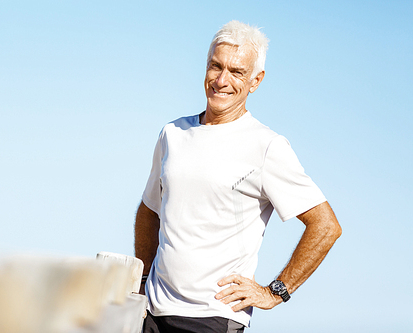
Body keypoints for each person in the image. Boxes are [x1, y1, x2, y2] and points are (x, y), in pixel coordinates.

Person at [134, 20, 341, 333]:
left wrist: (276, 292)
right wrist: (143, 280)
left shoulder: (267, 146)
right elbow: (149, 210)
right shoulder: (172, 134)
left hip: (215, 318)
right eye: (215, 66)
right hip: (152, 313)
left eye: (236, 72)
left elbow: (326, 227)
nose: (221, 80)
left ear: (256, 80)